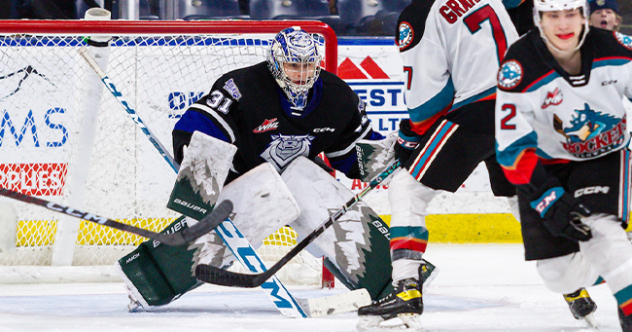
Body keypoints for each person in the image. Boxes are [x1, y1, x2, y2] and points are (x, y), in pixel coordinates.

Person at [118, 27, 400, 310]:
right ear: (276, 63)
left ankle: (395, 280)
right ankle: (146, 282)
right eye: (293, 65)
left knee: (318, 189)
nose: (301, 73)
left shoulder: (339, 97)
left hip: (298, 179)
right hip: (243, 182)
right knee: (247, 204)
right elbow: (204, 124)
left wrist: (387, 157)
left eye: (308, 64)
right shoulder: (242, 86)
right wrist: (199, 163)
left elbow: (351, 152)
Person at [356, 0, 523, 329]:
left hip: (479, 109)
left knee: (408, 188)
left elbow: (427, 101)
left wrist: (410, 135)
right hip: (521, 106)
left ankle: (405, 290)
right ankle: (575, 288)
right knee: (522, 194)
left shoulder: (419, 13)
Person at [495, 0, 632, 330]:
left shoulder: (618, 49)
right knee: (557, 274)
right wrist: (547, 197)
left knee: (602, 229)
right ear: (538, 18)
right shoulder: (519, 66)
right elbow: (511, 148)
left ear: (583, 15)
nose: (563, 24)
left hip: (605, 157)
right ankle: (618, 263)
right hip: (546, 167)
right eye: (553, 15)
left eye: (570, 13)